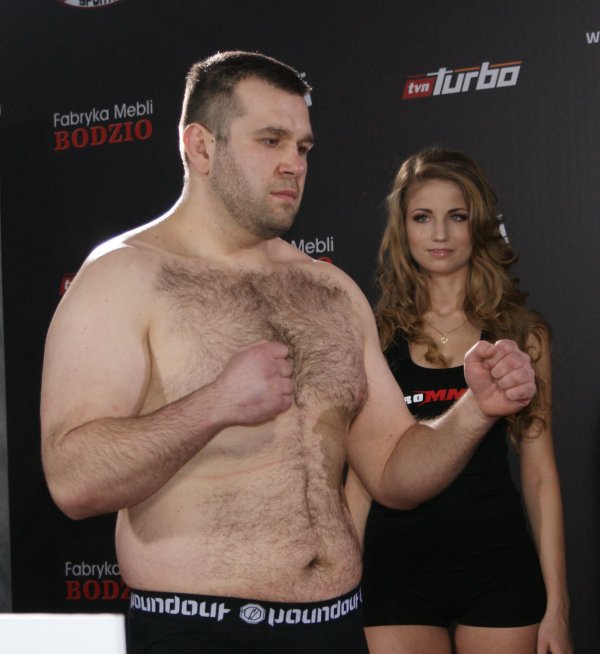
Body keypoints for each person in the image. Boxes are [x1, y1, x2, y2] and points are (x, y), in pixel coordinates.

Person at [40, 53, 536, 654]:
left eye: (302, 147)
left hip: (335, 626)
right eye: (270, 140)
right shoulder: (124, 277)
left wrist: (475, 410)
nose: (293, 164)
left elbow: (392, 471)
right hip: (200, 631)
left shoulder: (331, 290)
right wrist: (215, 404)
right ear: (200, 146)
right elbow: (73, 479)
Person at [345, 147, 572, 654]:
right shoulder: (375, 339)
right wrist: (339, 597)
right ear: (403, 229)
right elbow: (360, 482)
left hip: (497, 571)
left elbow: (539, 474)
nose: (440, 234)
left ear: (480, 224)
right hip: (395, 573)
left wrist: (558, 605)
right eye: (423, 217)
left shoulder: (522, 335)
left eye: (457, 216)